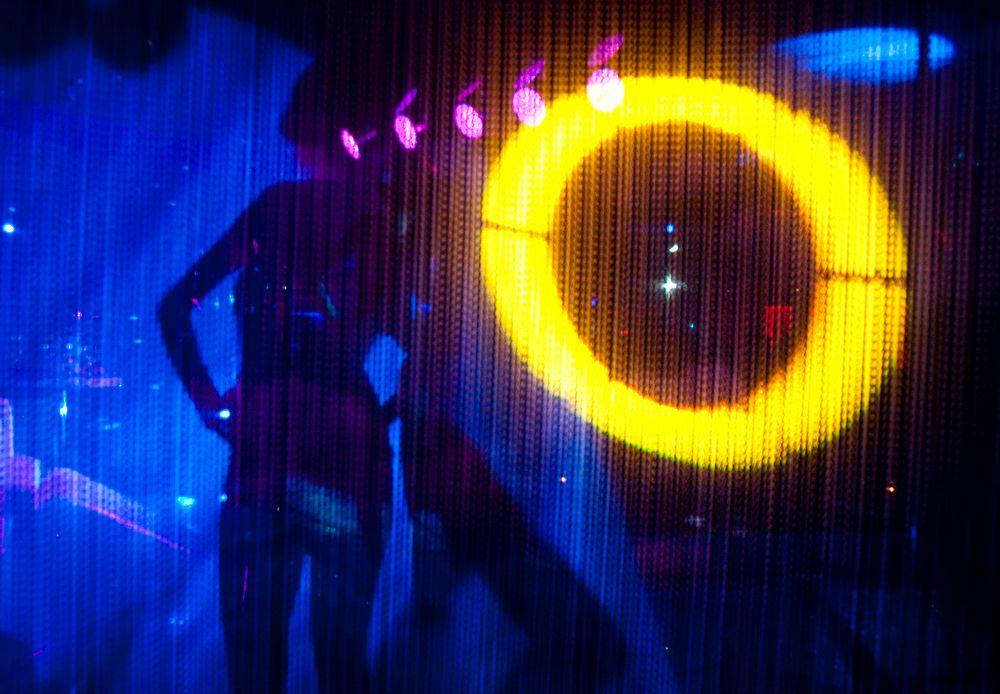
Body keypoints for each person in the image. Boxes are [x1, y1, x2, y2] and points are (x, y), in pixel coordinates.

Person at [158, 57, 625, 691]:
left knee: (254, 667)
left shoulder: (278, 210)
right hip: (351, 457)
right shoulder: (384, 229)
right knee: (343, 668)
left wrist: (213, 405)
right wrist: (391, 405)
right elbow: (429, 337)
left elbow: (174, 307)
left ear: (310, 136)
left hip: (268, 451)